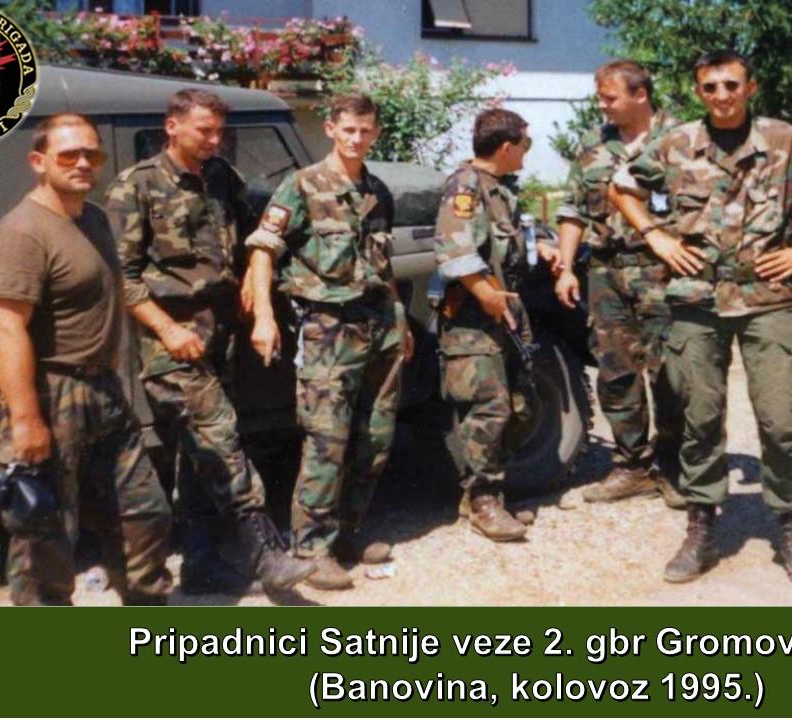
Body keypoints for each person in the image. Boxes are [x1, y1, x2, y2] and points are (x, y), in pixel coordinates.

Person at [609, 50, 792, 585]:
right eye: (710, 87)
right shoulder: (676, 142)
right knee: (699, 416)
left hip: (765, 297)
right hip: (696, 299)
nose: (722, 96)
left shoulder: (785, 139)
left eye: (731, 85)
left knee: (780, 418)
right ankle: (701, 525)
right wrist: (656, 236)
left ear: (750, 88)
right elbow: (622, 186)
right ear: (698, 92)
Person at [106, 89, 316, 595]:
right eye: (205, 130)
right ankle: (265, 553)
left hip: (219, 337)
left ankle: (201, 566)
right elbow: (121, 277)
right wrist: (167, 329)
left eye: (220, 131)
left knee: (198, 453)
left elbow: (251, 236)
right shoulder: (136, 187)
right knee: (221, 440)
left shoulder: (223, 177)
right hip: (171, 343)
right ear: (172, 126)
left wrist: (250, 283)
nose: (214, 140)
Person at [0, 113, 172, 605]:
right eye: (69, 154)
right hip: (51, 393)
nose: (83, 163)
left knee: (144, 514)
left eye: (92, 154)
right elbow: (5, 327)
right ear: (38, 161)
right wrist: (26, 419)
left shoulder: (93, 219)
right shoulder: (22, 232)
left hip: (104, 390)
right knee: (45, 537)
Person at [245, 93, 411, 589]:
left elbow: (382, 264)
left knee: (375, 437)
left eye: (365, 130)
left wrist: (401, 323)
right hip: (328, 328)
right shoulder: (302, 185)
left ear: (375, 133)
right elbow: (263, 250)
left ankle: (347, 533)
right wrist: (264, 317)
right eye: (348, 130)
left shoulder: (377, 190)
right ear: (331, 129)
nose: (357, 138)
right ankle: (312, 548)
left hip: (379, 324)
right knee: (326, 441)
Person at [553, 60, 684, 507]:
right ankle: (632, 466)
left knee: (672, 372)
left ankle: (674, 467)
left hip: (664, 271)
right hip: (606, 272)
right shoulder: (593, 142)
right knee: (615, 372)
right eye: (601, 97)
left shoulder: (681, 139)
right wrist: (566, 267)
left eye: (610, 97)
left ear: (640, 95)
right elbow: (573, 209)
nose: (602, 105)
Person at [433, 108, 535, 542]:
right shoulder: (466, 185)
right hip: (473, 318)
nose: (527, 153)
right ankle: (482, 500)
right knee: (489, 408)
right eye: (525, 144)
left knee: (522, 407)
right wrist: (487, 295)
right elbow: (453, 248)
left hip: (504, 314)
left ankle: (489, 491)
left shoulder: (500, 190)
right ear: (507, 147)